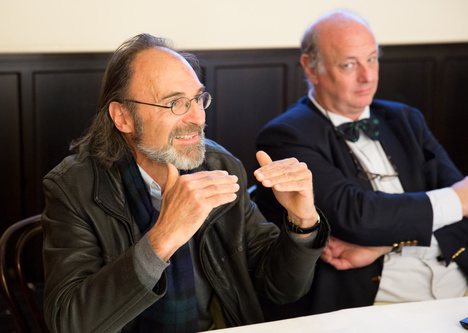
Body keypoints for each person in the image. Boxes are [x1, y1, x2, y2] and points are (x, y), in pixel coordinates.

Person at [40, 33, 341, 333]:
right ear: (123, 118)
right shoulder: (72, 188)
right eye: (175, 104)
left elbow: (280, 288)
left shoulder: (219, 165)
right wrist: (163, 237)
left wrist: (302, 222)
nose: (198, 117)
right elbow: (70, 322)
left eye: (198, 98)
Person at [254, 10, 468, 320]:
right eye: (349, 64)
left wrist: (384, 246)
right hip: (375, 307)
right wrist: (458, 199)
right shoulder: (286, 135)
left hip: (461, 289)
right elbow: (358, 216)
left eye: (372, 59)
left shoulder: (406, 118)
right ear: (311, 68)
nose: (367, 76)